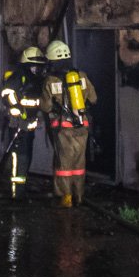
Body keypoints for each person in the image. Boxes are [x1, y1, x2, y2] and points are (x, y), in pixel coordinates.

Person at [43, 39, 98, 207]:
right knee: (79, 163)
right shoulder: (81, 76)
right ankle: (79, 196)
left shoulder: (51, 81)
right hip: (82, 126)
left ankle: (65, 197)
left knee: (63, 164)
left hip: (63, 129)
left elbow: (45, 107)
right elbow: (94, 99)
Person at [0, 46, 51, 200]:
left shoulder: (34, 79)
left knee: (26, 157)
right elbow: (7, 93)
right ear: (28, 65)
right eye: (35, 66)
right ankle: (17, 193)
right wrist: (18, 108)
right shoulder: (19, 76)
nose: (38, 69)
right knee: (20, 158)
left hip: (28, 126)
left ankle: (20, 187)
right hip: (18, 126)